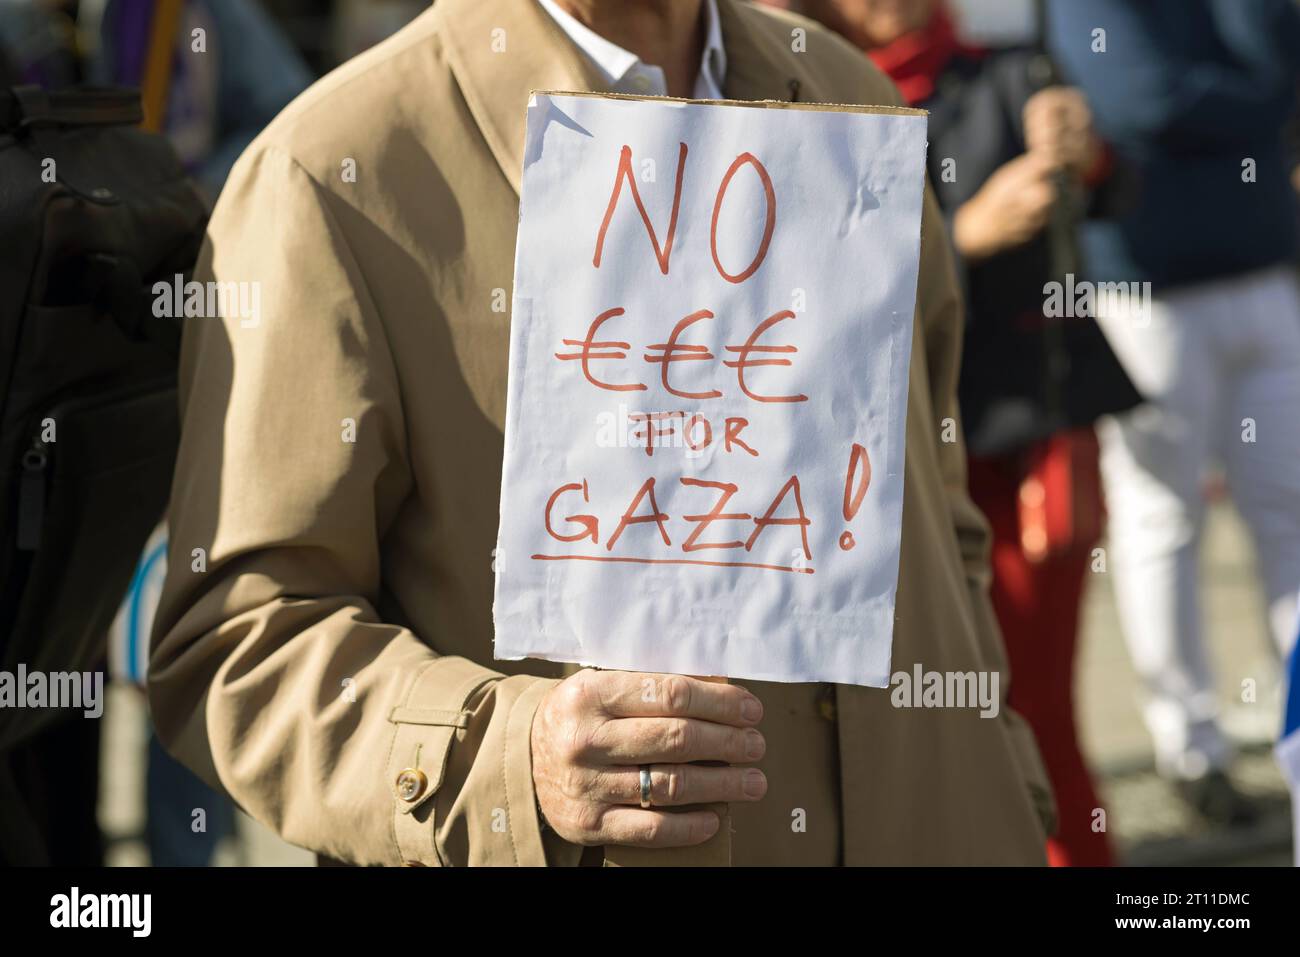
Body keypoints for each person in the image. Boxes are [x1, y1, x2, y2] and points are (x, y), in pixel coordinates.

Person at [148, 0, 1054, 866]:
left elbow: (935, 505)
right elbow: (240, 640)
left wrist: (1003, 770)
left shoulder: (844, 89)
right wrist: (513, 757)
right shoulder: (327, 175)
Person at [786, 0, 1139, 865]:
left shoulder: (1008, 77)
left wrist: (1082, 157)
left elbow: (1114, 194)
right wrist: (963, 236)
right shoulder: (798, 95)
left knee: (1028, 702)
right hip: (876, 470)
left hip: (1013, 445)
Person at [1051, 0, 1300, 823]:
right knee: (1162, 518)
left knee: (1288, 510)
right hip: (1146, 288)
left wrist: (1247, 91)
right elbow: (1140, 102)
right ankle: (1192, 747)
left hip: (1265, 271)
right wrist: (1258, 98)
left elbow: (1278, 62)